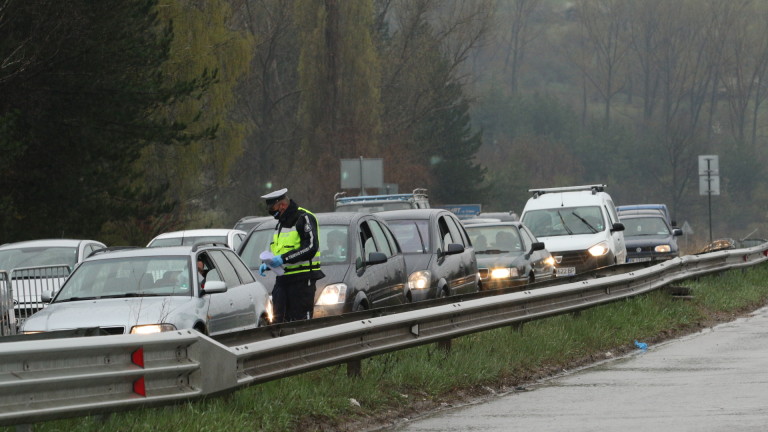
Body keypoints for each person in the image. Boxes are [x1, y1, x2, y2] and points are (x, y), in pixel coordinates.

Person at [258, 188, 324, 323]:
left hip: (302, 279)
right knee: (278, 321)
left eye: (272, 208)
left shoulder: (304, 217)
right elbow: (279, 252)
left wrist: (283, 258)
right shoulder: (280, 224)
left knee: (300, 323)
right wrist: (269, 263)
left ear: (282, 205)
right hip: (283, 280)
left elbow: (311, 247)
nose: (271, 213)